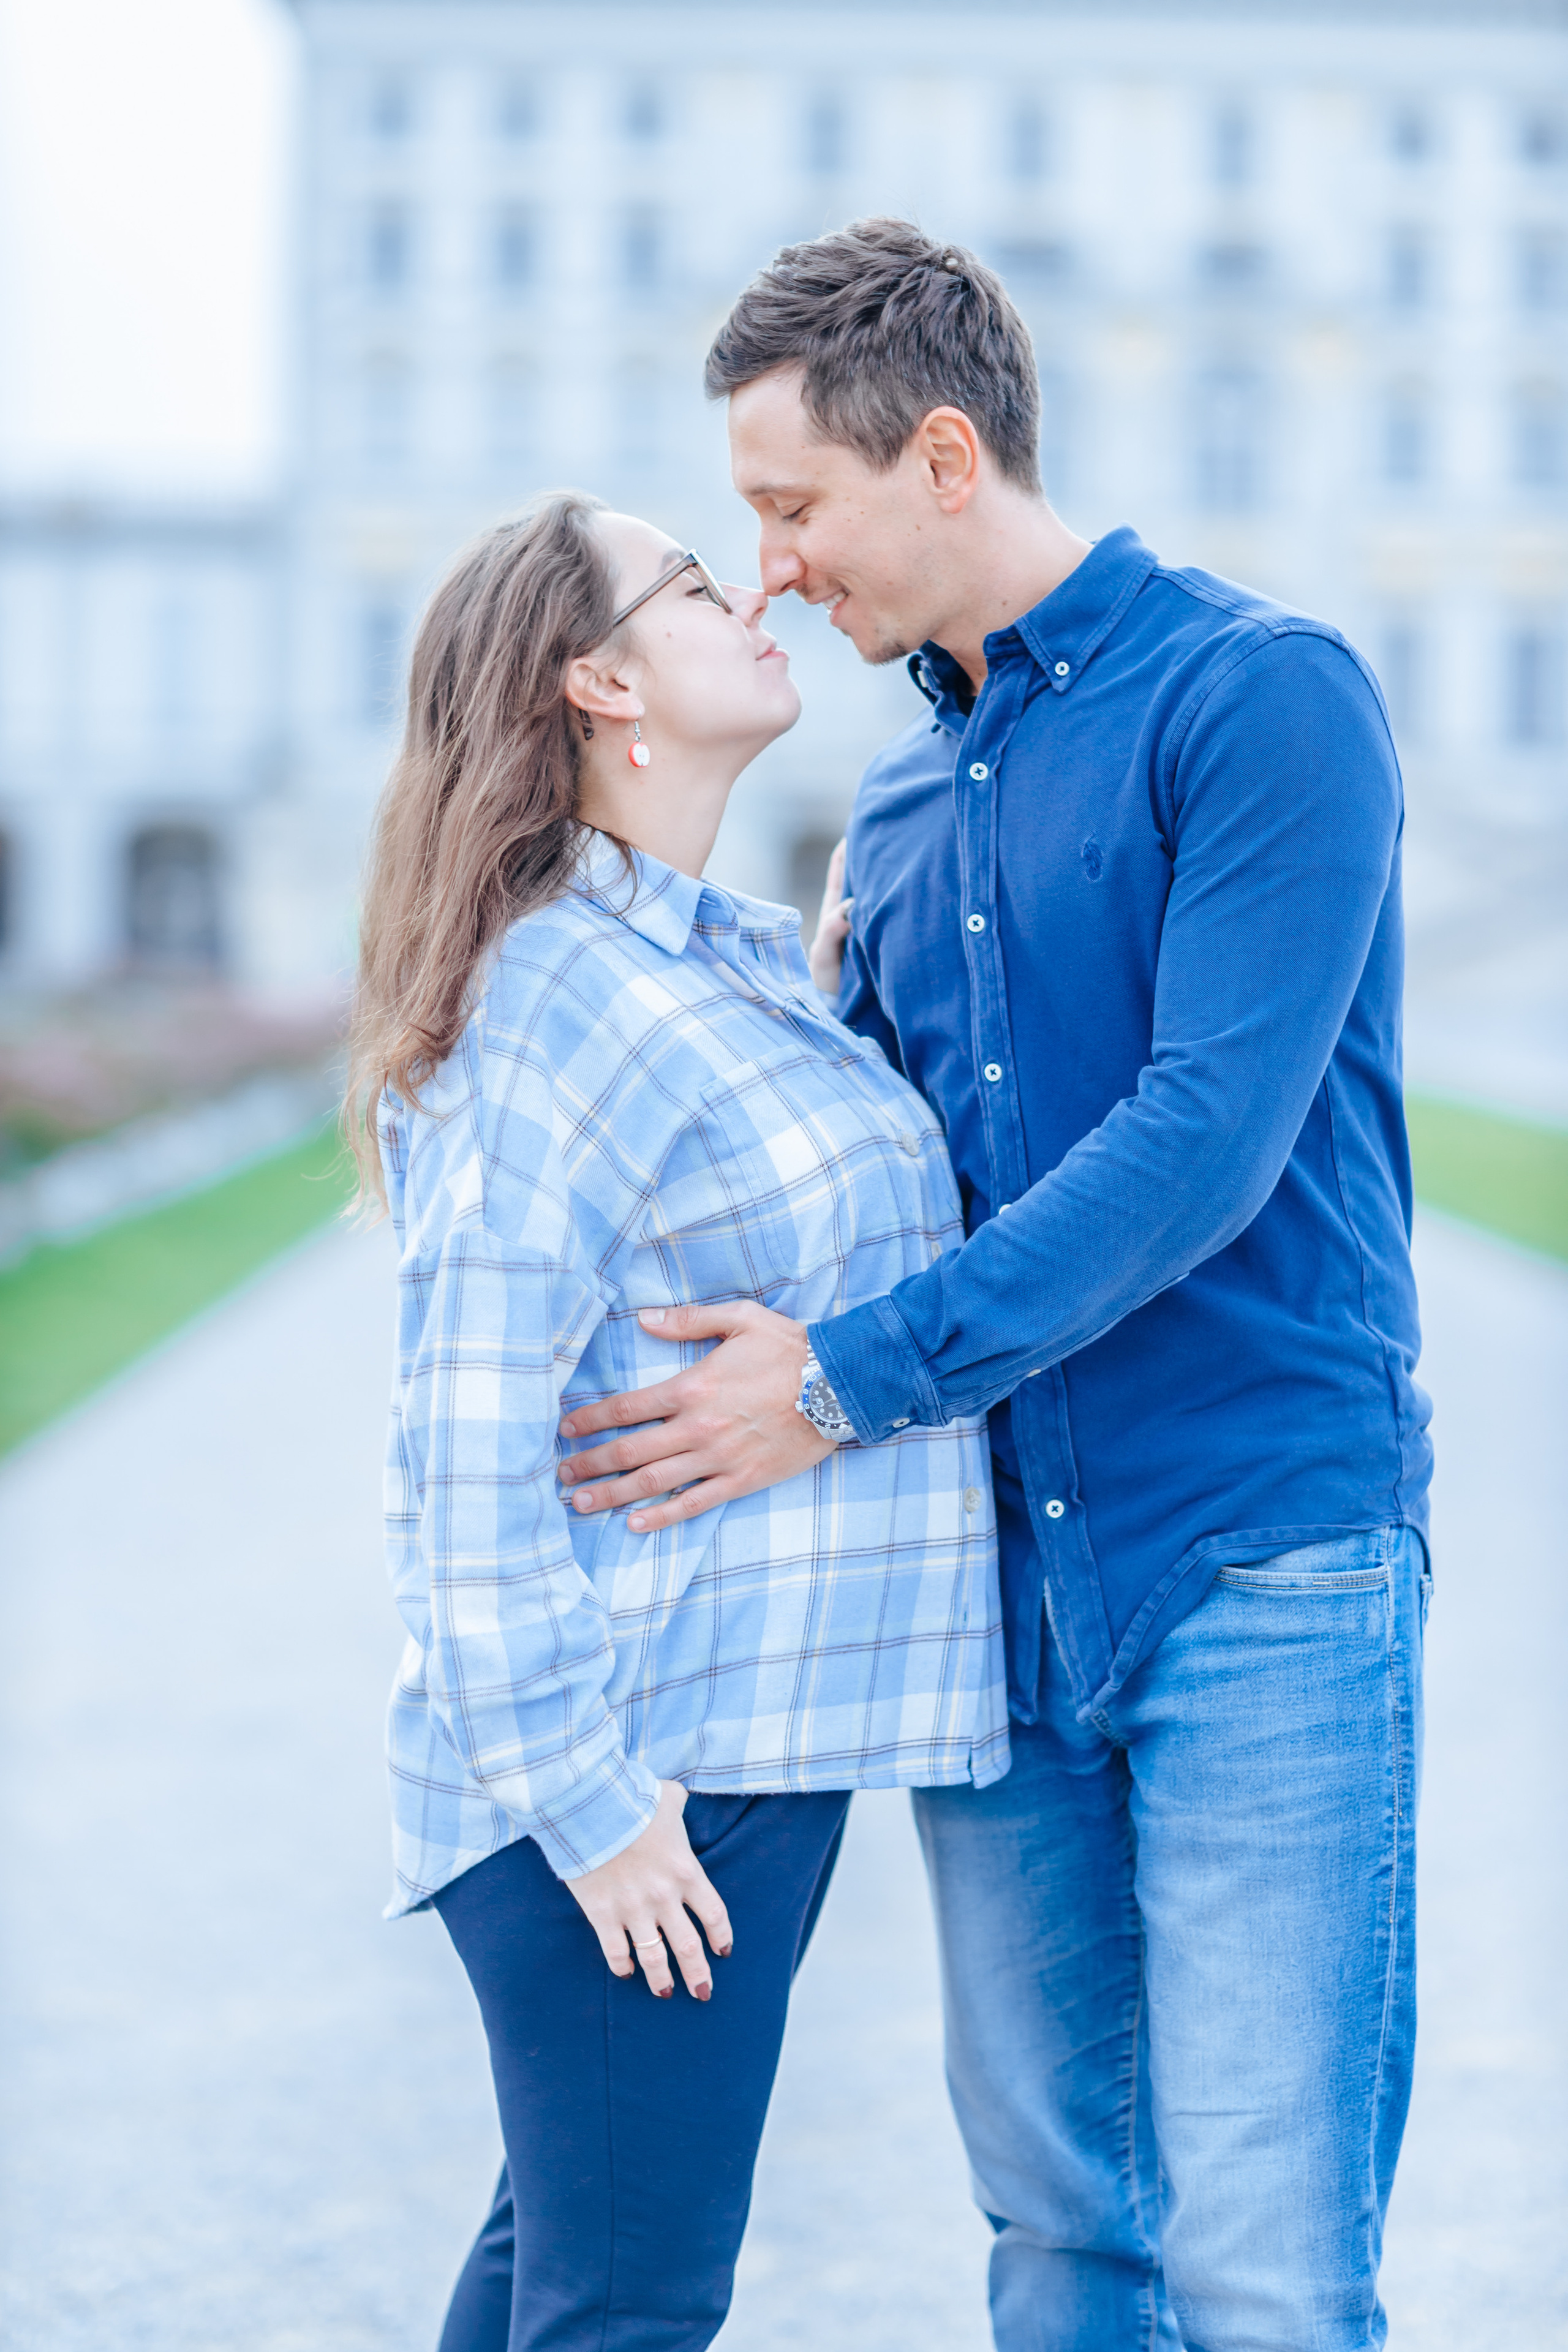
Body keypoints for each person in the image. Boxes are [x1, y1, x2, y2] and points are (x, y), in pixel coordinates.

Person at [554, 222, 1434, 2351]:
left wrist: (840, 1384)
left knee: (1262, 2276)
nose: (764, 569)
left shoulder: (1262, 699)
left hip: (1262, 1566)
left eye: (790, 509)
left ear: (944, 457)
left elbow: (1198, 1151)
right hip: (998, 1614)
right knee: (1055, 2243)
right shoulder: (904, 781)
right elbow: (873, 1167)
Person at [344, 489, 1008, 2352]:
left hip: (713, 1752)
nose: (762, 588)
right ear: (600, 677)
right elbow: (452, 1458)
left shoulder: (686, 958)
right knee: (628, 2305)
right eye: (703, 583)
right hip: (647, 1774)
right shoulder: (557, 997)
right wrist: (596, 1813)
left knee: (569, 2276)